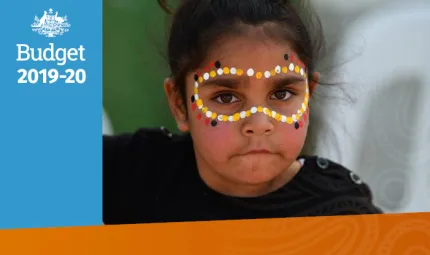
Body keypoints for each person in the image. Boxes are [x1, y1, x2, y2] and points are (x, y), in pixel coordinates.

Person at [103, 0, 382, 225]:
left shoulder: (340, 214)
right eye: (226, 97)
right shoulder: (139, 171)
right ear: (179, 104)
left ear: (308, 96)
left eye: (282, 94)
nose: (259, 124)